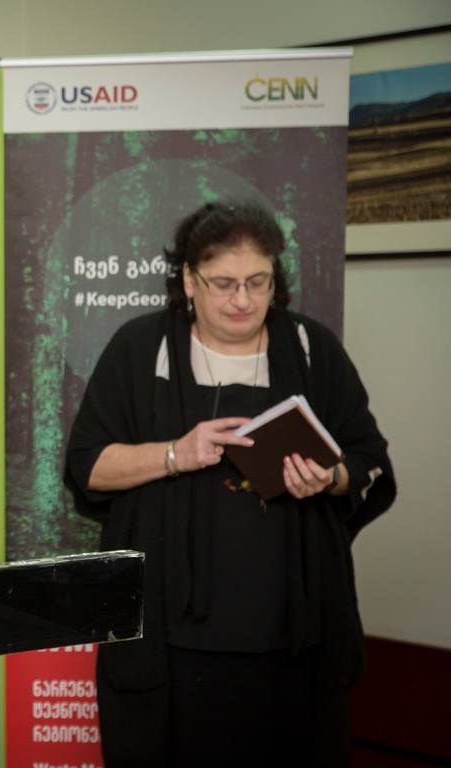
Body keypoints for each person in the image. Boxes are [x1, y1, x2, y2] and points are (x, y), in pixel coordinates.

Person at [63, 201, 396, 766]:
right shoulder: (141, 350)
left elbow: (370, 464)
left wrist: (329, 478)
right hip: (170, 642)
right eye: (223, 284)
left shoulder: (311, 349)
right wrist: (175, 453)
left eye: (257, 282)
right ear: (189, 280)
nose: (242, 299)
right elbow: (87, 466)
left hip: (295, 639)